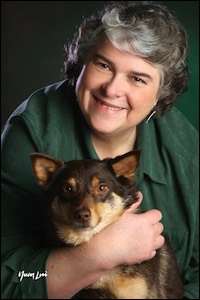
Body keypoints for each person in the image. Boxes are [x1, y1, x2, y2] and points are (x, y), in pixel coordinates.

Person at [1, 1, 199, 299]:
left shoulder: (186, 150)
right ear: (81, 63)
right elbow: (10, 281)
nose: (112, 89)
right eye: (103, 65)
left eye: (137, 78)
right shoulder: (32, 129)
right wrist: (97, 255)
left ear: (161, 95)